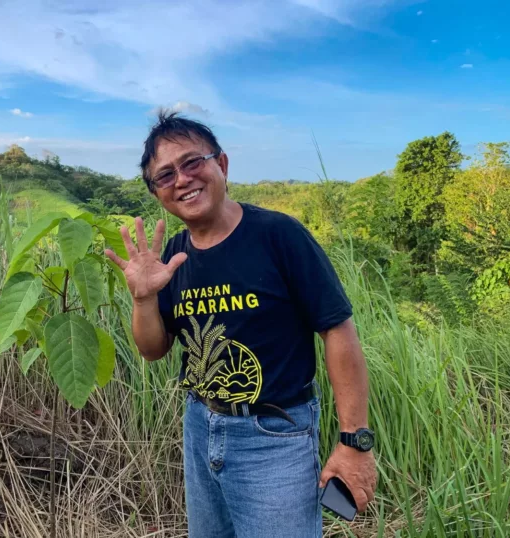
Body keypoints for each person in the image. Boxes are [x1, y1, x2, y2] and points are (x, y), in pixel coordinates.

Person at [105, 112, 377, 538]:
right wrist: (143, 298)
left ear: (223, 165)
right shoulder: (174, 255)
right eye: (165, 175)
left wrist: (354, 442)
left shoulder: (278, 235)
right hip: (200, 425)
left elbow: (337, 330)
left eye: (193, 162)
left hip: (275, 435)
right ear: (158, 193)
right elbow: (153, 349)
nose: (182, 179)